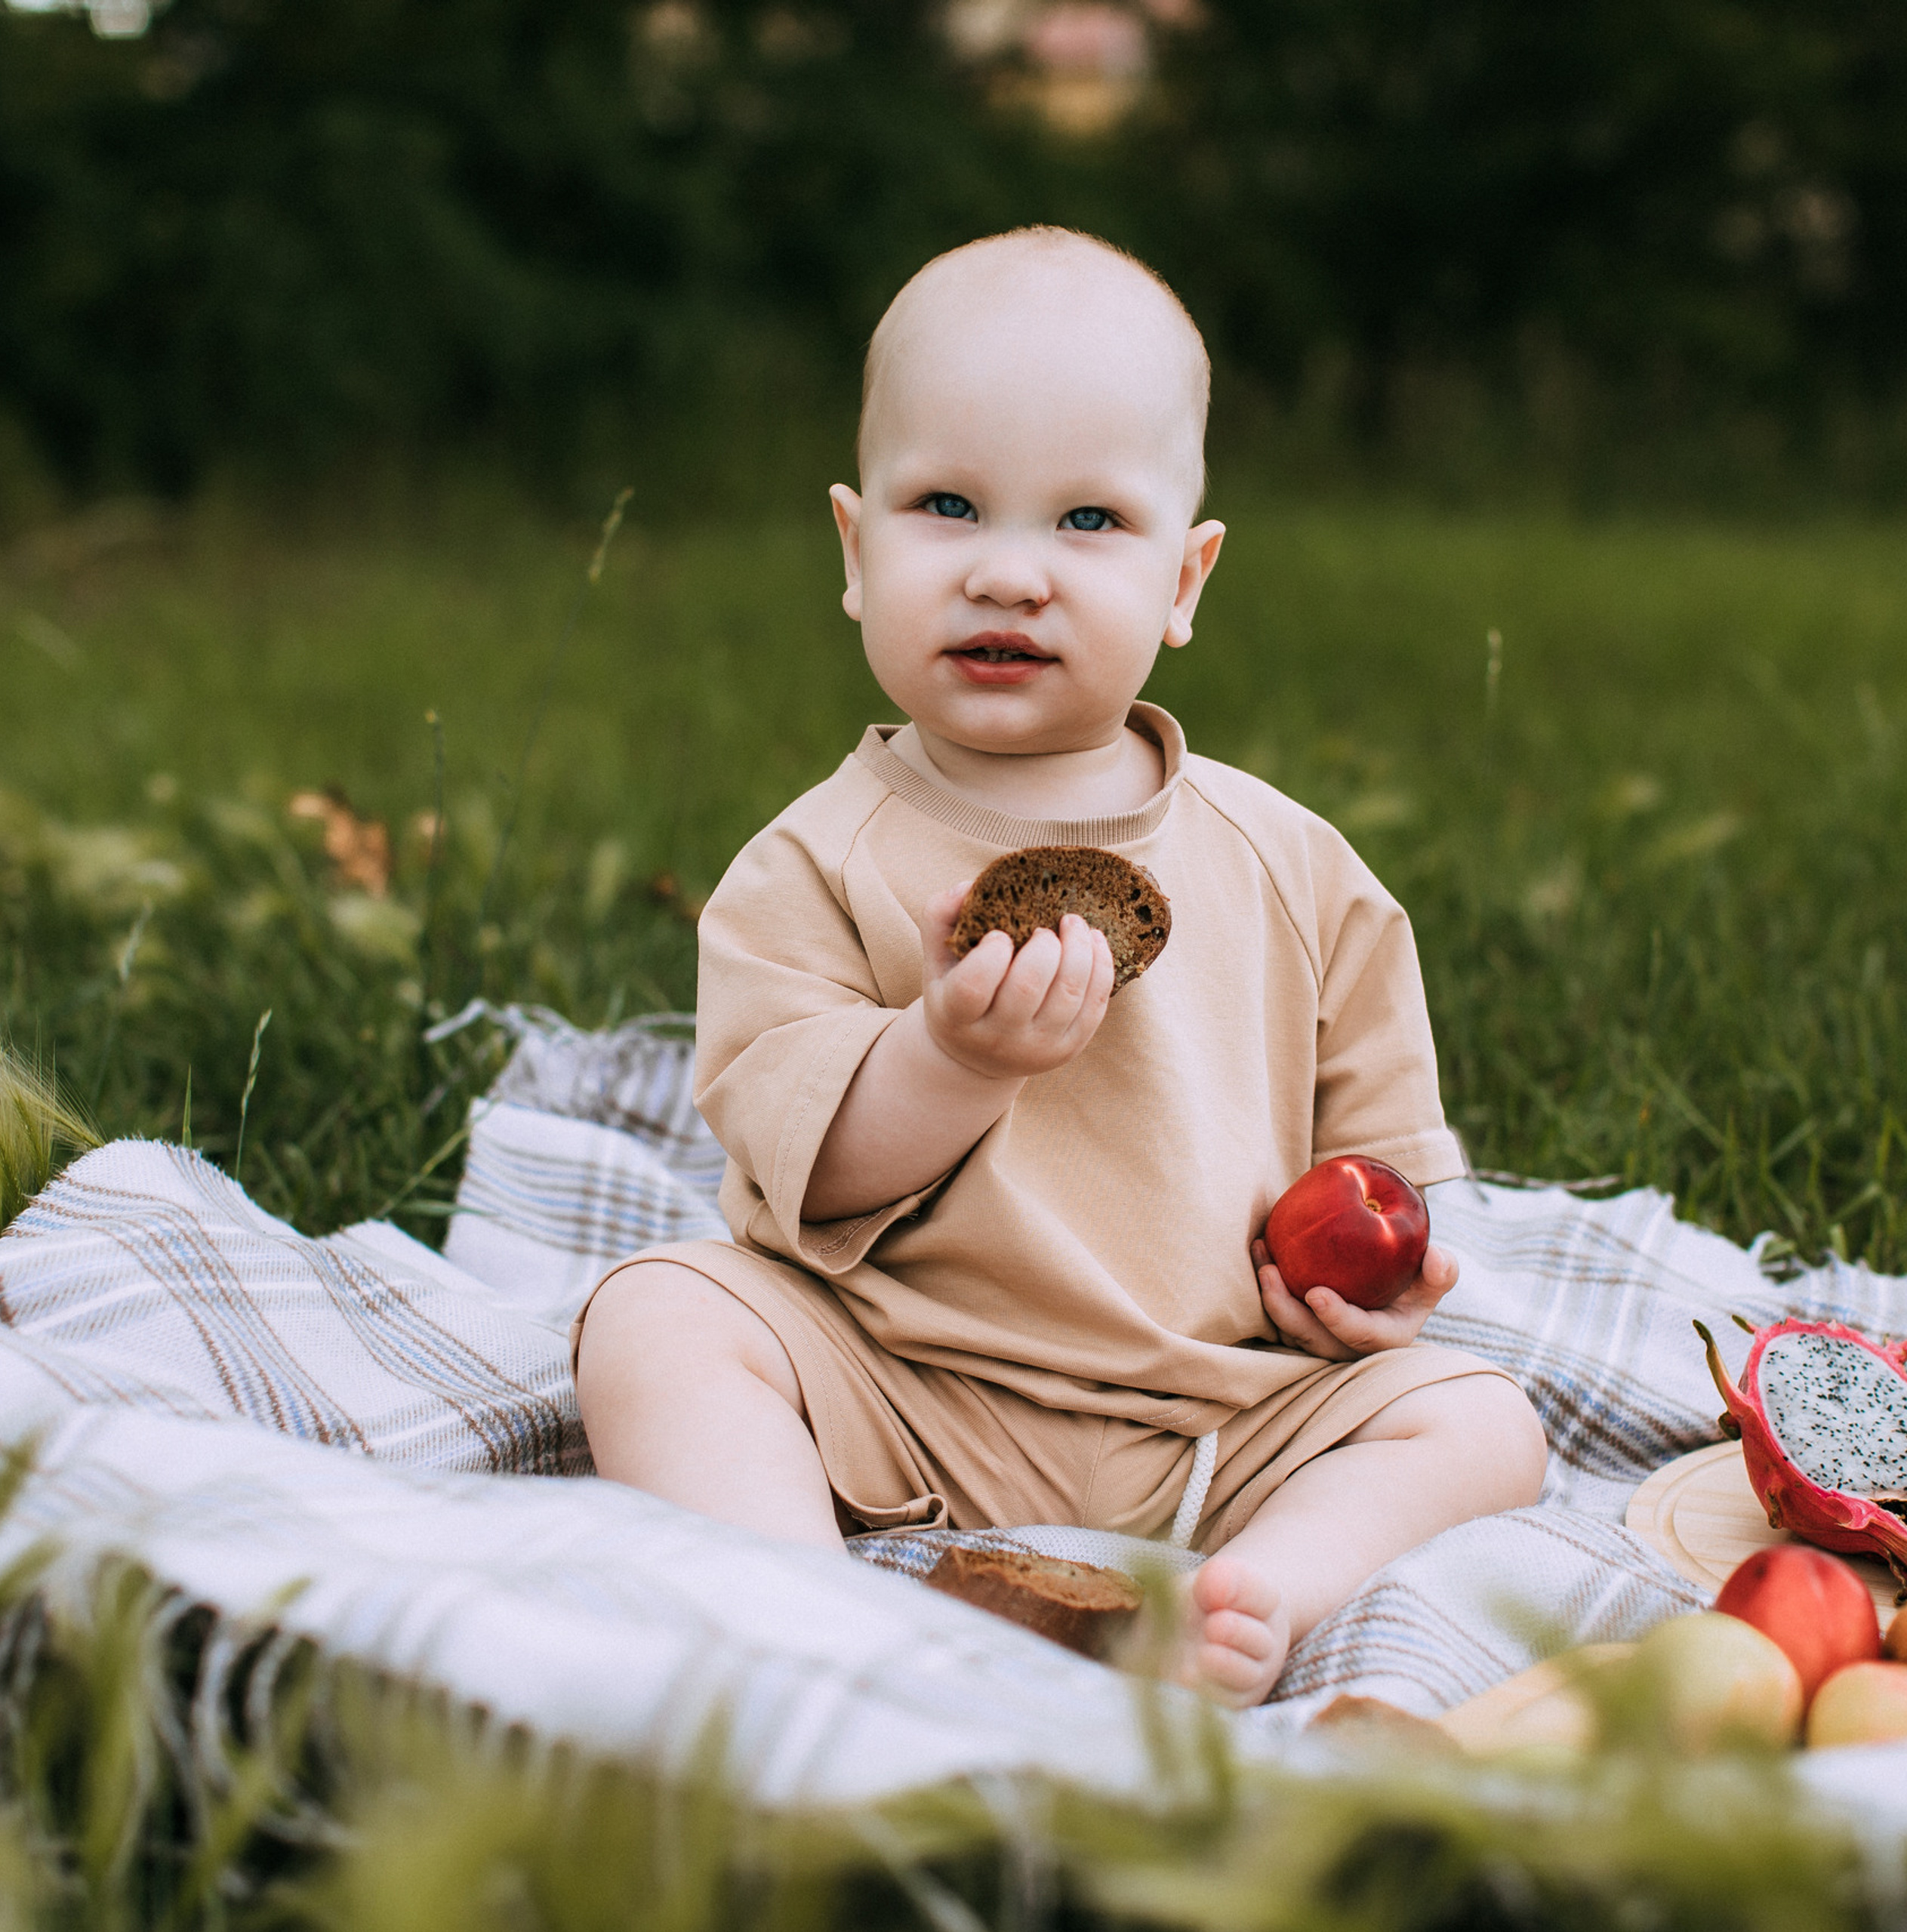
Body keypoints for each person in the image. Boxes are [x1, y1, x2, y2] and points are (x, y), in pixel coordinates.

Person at [574, 226, 1546, 1707]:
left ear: (1184, 577)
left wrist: (1373, 1301)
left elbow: (1380, 1179)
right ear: (854, 550)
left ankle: (1261, 1587)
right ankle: (794, 1601)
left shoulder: (1297, 870)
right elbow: (808, 1176)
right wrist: (945, 1058)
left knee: (1478, 1420)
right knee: (658, 1316)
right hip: (904, 1381)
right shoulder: (806, 865)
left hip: (1218, 1407)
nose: (1010, 572)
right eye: (946, 506)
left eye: (1088, 520)